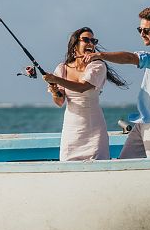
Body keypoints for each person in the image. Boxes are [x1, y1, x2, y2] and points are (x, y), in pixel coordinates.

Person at [82, 7, 150, 158]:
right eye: (140, 29)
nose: (142, 34)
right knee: (124, 166)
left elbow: (130, 58)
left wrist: (99, 55)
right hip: (143, 122)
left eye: (146, 31)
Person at [37, 27, 128, 161]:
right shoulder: (62, 68)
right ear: (75, 45)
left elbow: (83, 87)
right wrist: (55, 90)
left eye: (93, 41)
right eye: (86, 40)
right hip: (71, 129)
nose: (90, 43)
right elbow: (60, 102)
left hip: (94, 129)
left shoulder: (98, 66)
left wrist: (56, 79)